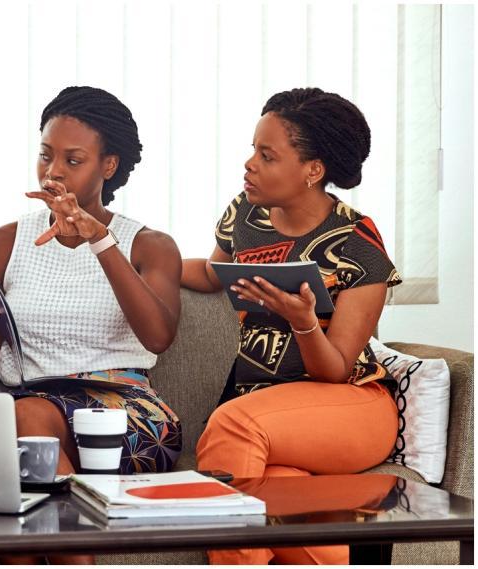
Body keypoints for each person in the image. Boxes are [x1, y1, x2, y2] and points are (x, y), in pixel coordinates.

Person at [0, 86, 183, 564]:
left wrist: (101, 241)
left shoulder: (149, 246)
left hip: (124, 414)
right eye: (45, 155)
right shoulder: (2, 244)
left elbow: (158, 336)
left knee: (24, 442)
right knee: (26, 429)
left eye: (72, 160)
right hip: (28, 411)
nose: (53, 171)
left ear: (108, 166)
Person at [182, 87, 402, 565]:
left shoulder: (357, 242)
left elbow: (335, 369)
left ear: (312, 170)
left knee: (231, 424)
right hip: (271, 414)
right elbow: (211, 274)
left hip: (352, 406)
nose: (249, 164)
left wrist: (304, 322)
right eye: (253, 150)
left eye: (267, 155)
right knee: (280, 500)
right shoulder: (246, 213)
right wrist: (135, 261)